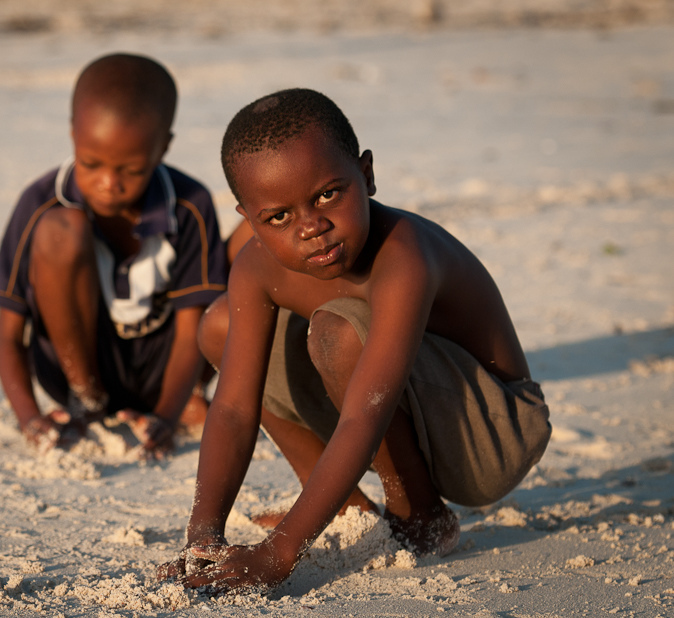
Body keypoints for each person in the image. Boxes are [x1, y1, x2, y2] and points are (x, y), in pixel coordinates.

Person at [162, 88, 552, 591]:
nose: (312, 228)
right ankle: (349, 507)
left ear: (366, 175)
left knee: (338, 332)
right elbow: (234, 410)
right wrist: (203, 538)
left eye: (327, 194)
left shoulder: (404, 257)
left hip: (492, 435)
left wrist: (281, 550)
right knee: (220, 324)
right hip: (397, 406)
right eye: (278, 217)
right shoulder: (256, 267)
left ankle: (421, 515)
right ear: (248, 217)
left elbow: (364, 416)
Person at [0, 53, 228, 458]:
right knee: (62, 232)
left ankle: (181, 401)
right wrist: (30, 419)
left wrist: (164, 418)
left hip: (161, 375)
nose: (108, 183)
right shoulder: (39, 203)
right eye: (91, 163)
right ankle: (90, 404)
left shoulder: (189, 203)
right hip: (73, 374)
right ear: (73, 134)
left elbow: (191, 330)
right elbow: (9, 335)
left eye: (130, 170)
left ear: (162, 147)